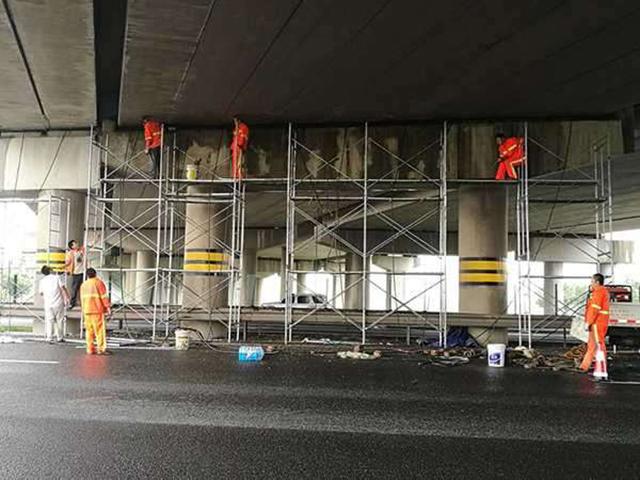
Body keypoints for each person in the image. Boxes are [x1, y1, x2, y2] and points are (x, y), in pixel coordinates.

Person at [580, 273, 610, 380]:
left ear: (597, 282)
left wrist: (588, 322)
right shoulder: (597, 292)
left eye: (592, 281)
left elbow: (594, 309)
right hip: (596, 322)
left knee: (598, 344)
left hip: (598, 322)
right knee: (592, 344)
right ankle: (584, 366)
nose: (591, 284)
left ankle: (601, 368)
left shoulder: (599, 291)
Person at [80, 268, 111, 355]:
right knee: (99, 330)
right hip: (97, 310)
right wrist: (108, 308)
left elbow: (82, 299)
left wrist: (83, 309)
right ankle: (101, 349)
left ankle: (90, 349)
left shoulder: (83, 285)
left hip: (87, 310)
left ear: (87, 275)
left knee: (89, 331)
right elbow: (103, 296)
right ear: (95, 274)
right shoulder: (98, 283)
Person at [39, 265, 70, 343]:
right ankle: (60, 337)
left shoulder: (42, 281)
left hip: (48, 303)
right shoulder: (57, 278)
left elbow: (41, 293)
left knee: (49, 320)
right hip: (58, 302)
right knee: (59, 320)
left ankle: (49, 337)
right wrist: (67, 298)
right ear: (50, 271)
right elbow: (63, 288)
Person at [65, 239, 85, 309]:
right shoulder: (70, 254)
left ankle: (82, 303)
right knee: (75, 288)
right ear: (72, 246)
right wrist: (65, 268)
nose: (77, 244)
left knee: (83, 288)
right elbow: (67, 262)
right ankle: (72, 303)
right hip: (76, 272)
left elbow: (90, 245)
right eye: (75, 243)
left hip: (83, 272)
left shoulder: (82, 250)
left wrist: (96, 238)